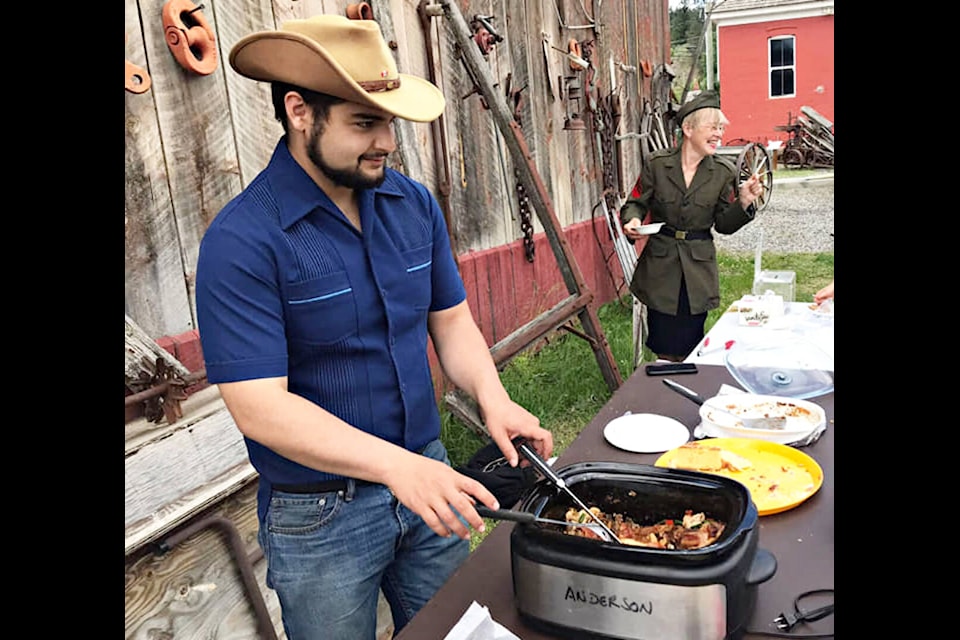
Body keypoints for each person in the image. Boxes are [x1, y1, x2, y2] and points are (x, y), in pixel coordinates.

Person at [194, 15, 553, 639]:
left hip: (429, 476)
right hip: (319, 516)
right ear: (300, 111)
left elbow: (452, 322)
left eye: (388, 121)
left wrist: (494, 401)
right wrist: (395, 468)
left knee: (448, 631)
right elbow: (260, 410)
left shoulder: (412, 204)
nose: (386, 140)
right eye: (364, 122)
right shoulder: (243, 240)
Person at [620, 91, 764, 361]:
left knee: (690, 344)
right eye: (712, 127)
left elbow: (723, 224)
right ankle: (661, 388)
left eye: (721, 128)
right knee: (663, 343)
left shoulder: (723, 172)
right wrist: (633, 219)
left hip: (697, 269)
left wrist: (743, 203)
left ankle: (681, 386)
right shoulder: (657, 165)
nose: (719, 134)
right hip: (661, 266)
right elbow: (636, 201)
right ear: (688, 128)